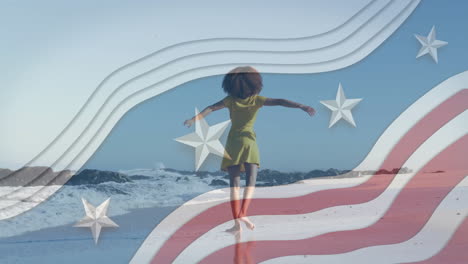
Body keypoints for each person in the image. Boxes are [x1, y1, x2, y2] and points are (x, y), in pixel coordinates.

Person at [183, 66, 315, 234]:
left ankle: (237, 224)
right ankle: (244, 214)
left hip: (233, 142)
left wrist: (194, 119)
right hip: (249, 142)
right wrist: (301, 106)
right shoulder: (256, 100)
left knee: (234, 185)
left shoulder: (230, 100)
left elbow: (211, 108)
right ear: (254, 83)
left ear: (231, 84)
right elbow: (280, 101)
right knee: (251, 181)